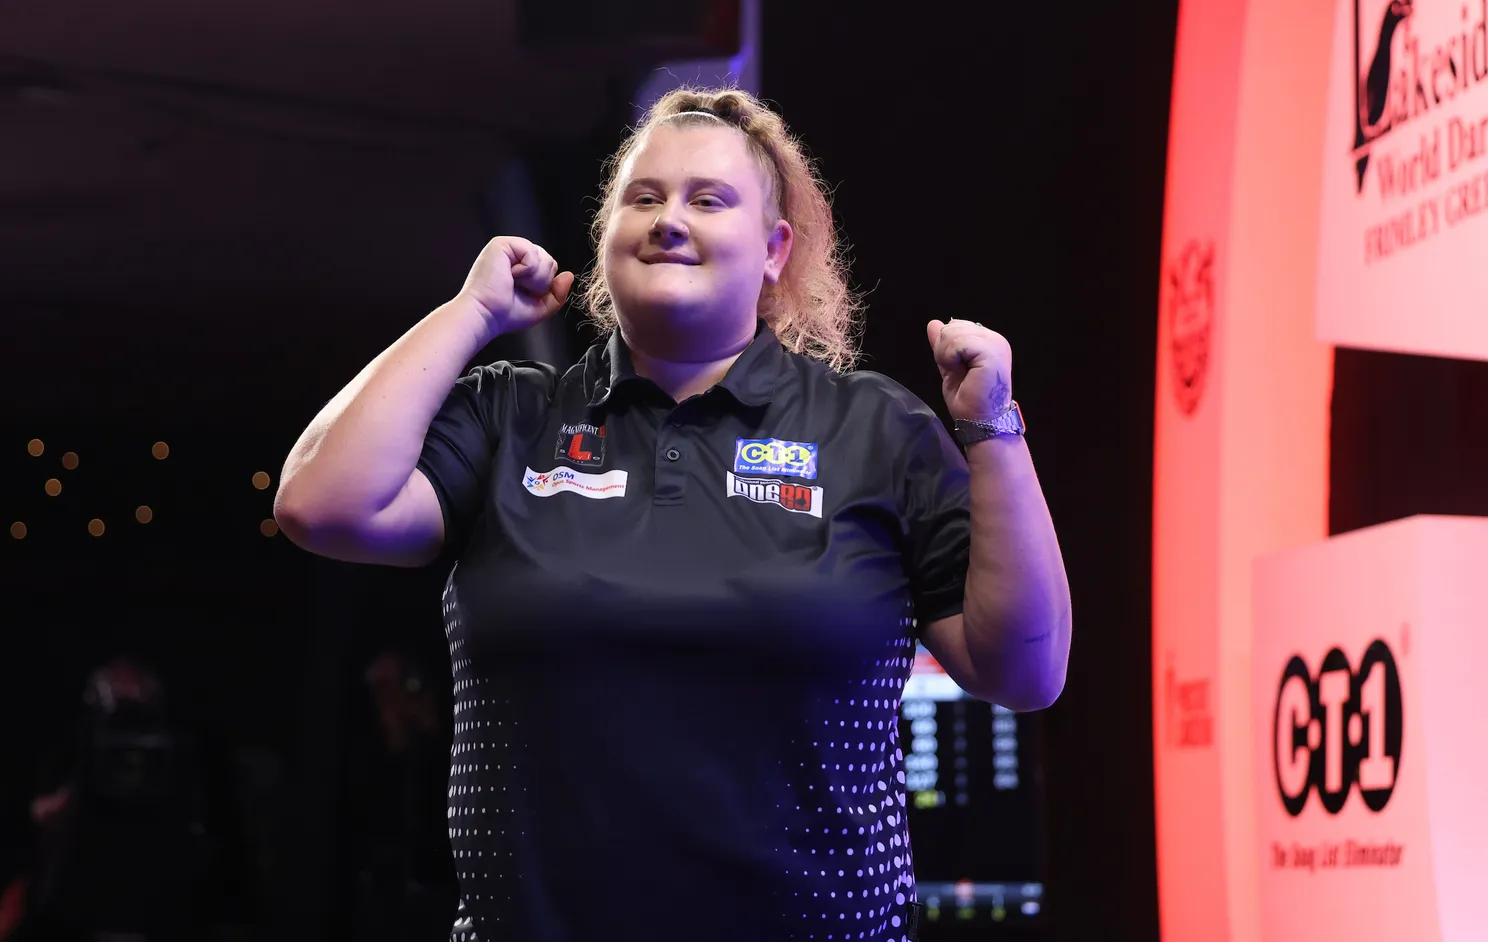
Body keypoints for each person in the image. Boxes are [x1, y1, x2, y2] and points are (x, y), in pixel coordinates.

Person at [274, 86, 1071, 942]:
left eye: (708, 200)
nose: (668, 221)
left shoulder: (874, 428)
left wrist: (993, 428)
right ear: (606, 236)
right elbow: (320, 504)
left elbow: (1026, 672)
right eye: (643, 198)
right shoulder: (514, 414)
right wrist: (471, 315)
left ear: (774, 250)